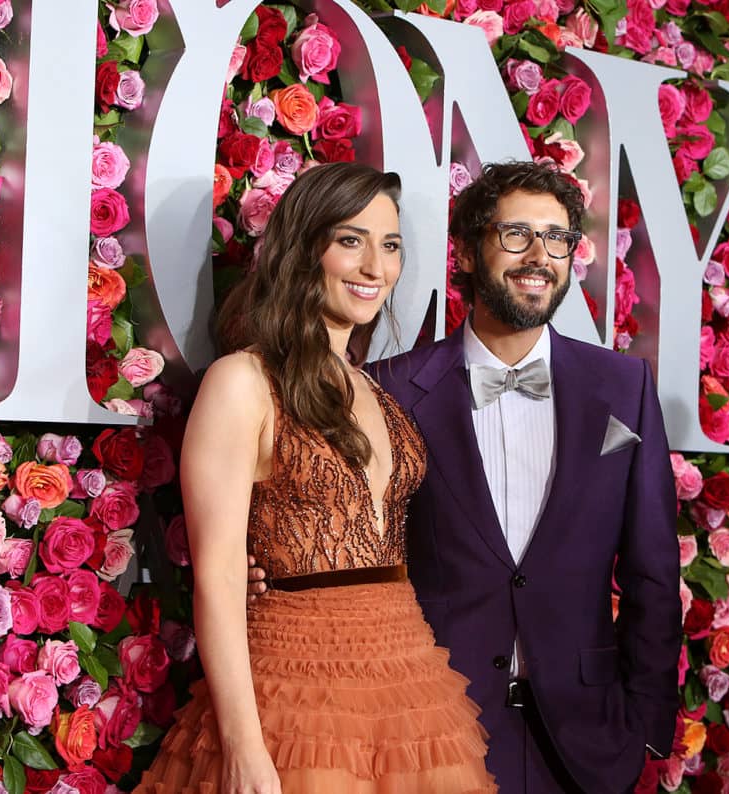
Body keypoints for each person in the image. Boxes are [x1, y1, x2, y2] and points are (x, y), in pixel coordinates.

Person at [249, 160, 682, 793]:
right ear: (470, 252)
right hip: (435, 727)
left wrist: (645, 722)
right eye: (515, 235)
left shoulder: (624, 387)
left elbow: (653, 570)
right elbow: (348, 528)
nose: (539, 255)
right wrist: (259, 572)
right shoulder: (388, 388)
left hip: (590, 736)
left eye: (557, 238)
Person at [135, 162, 496, 794]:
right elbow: (218, 577)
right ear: (306, 247)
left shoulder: (376, 391)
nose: (374, 268)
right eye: (350, 240)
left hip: (407, 680)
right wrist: (245, 749)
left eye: (390, 247)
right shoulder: (242, 382)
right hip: (295, 687)